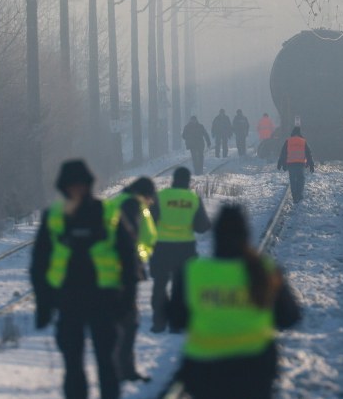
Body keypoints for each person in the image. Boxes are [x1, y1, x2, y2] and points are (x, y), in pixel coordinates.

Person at [30, 159, 144, 399]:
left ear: (89, 184)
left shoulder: (109, 212)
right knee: (73, 367)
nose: (77, 189)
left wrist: (128, 300)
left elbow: (128, 257)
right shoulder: (54, 216)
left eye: (80, 184)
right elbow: (39, 263)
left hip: (105, 300)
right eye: (72, 185)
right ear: (63, 187)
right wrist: (43, 304)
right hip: (68, 301)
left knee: (107, 364)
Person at [167, 205, 301, 399]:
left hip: (205, 371)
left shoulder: (192, 272)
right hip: (255, 370)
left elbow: (177, 320)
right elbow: (289, 317)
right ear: (246, 234)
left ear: (216, 236)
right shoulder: (265, 269)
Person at [149, 166, 211, 333]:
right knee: (180, 287)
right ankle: (177, 324)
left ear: (173, 180)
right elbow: (201, 227)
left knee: (160, 284)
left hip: (162, 247)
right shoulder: (193, 199)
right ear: (188, 181)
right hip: (185, 249)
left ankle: (159, 322)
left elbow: (149, 222)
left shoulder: (160, 197)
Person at [108, 177, 158, 383]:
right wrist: (139, 258)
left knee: (116, 320)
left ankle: (118, 367)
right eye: (150, 198)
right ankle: (124, 369)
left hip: (107, 270)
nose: (151, 202)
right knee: (129, 321)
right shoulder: (134, 206)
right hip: (126, 270)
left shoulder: (115, 202)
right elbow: (137, 238)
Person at [277, 126, 315, 203]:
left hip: (291, 164)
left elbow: (283, 153)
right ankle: (300, 195)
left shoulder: (288, 141)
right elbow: (309, 153)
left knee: (293, 179)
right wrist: (311, 164)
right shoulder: (303, 141)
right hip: (300, 164)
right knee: (301, 179)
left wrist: (281, 163)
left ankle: (294, 196)